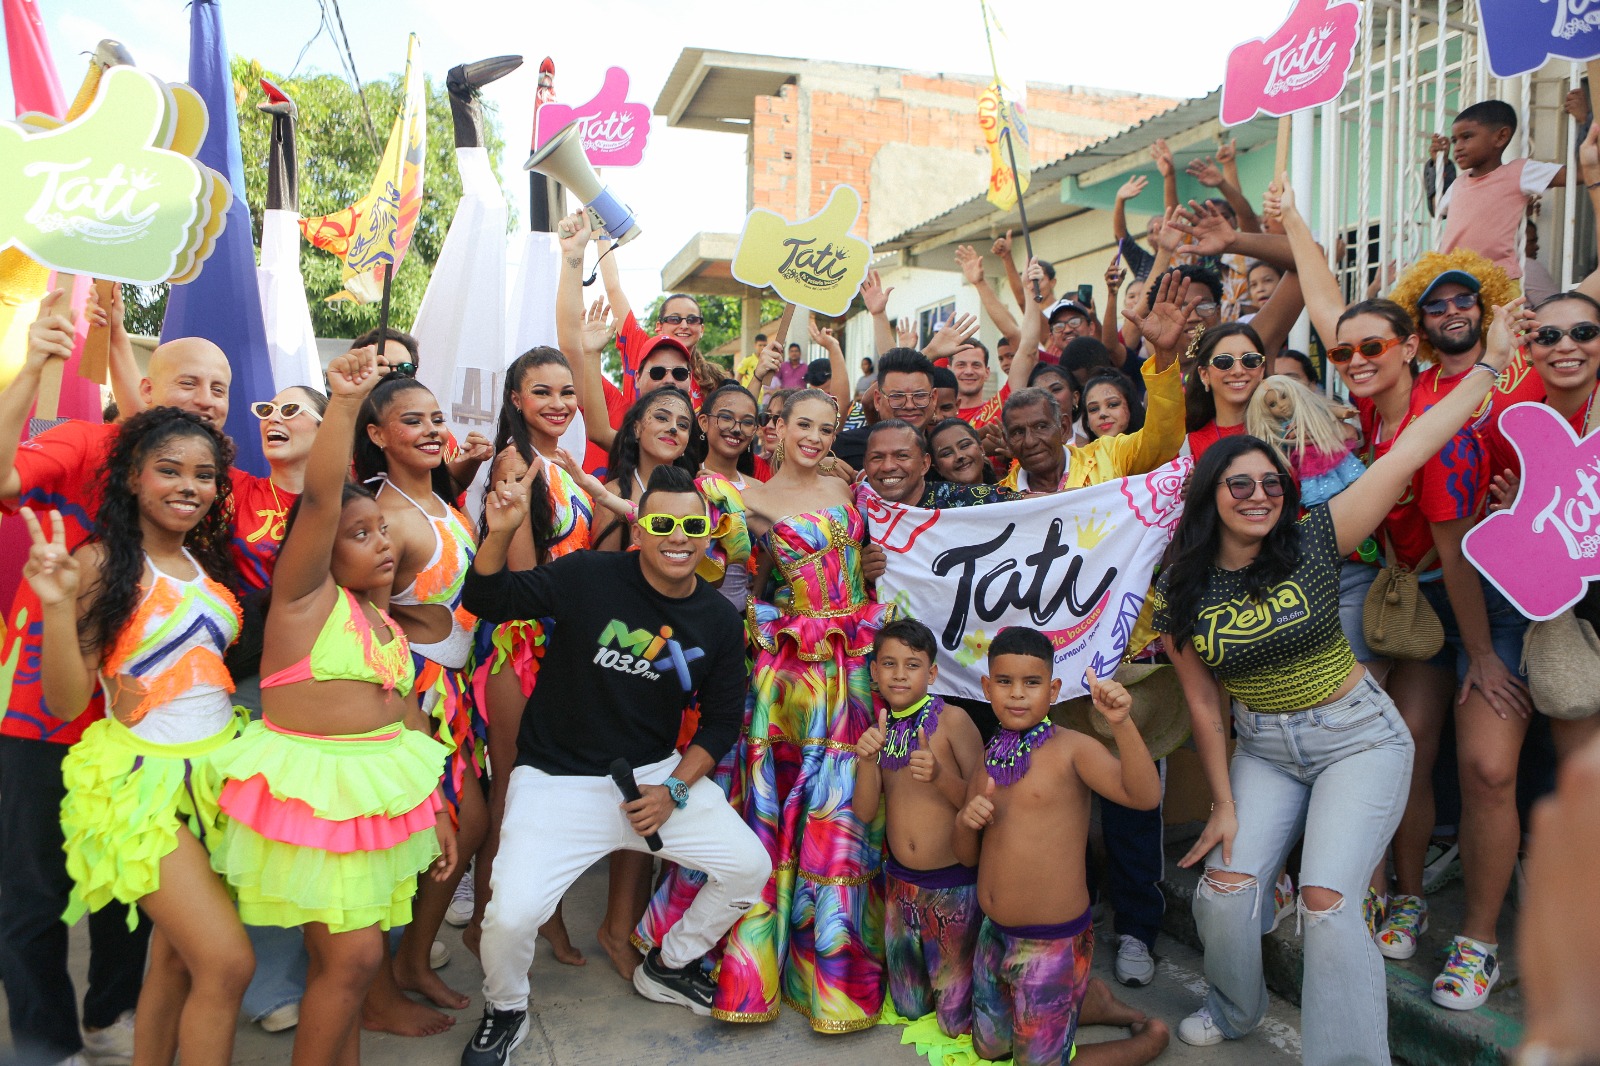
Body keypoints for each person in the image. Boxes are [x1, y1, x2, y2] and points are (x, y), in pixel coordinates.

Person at [1150, 294, 1521, 1063]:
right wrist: (1221, 805)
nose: (1259, 496)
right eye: (1240, 485)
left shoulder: (1318, 539)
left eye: (1272, 485)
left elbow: (1410, 448)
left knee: (1324, 902)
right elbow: (1204, 708)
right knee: (1225, 892)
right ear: (1209, 495)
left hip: (1357, 738)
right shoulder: (1182, 588)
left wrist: (1486, 367)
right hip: (1262, 747)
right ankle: (1236, 1006)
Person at [1282, 181, 1538, 1007]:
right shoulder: (1363, 414)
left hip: (1481, 603)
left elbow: (1458, 550)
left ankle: (1480, 939)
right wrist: (1291, 216)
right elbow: (1327, 305)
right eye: (1345, 354)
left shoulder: (1439, 412)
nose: (1355, 362)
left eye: (1372, 351)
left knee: (1489, 768)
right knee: (1406, 752)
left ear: (1409, 348)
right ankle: (1408, 896)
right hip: (1415, 606)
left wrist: (1487, 658)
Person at [460, 464, 770, 1066]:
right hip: (554, 780)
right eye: (661, 523)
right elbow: (488, 597)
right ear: (639, 532)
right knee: (509, 916)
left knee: (748, 866)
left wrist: (674, 791)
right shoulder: (588, 576)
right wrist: (499, 532)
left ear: (709, 533)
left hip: (654, 778)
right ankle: (506, 1009)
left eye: (690, 525)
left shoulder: (716, 618)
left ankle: (668, 965)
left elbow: (721, 722)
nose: (677, 537)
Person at [0, 294, 232, 1066]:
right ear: (147, 387)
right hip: (43, 709)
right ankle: (45, 1044)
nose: (204, 400)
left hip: (146, 736)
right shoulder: (82, 441)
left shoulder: (205, 501)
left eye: (218, 388)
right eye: (188, 383)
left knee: (129, 902)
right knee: (35, 892)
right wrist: (35, 362)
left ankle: (111, 1017)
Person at [209, 345, 454, 1066]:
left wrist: (435, 811)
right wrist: (343, 404)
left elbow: (403, 716)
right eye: (359, 534)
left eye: (380, 529)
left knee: (345, 971)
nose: (380, 543)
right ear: (316, 549)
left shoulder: (378, 620)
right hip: (318, 802)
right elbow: (320, 499)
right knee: (348, 965)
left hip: (377, 804)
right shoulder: (303, 600)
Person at [637, 388, 894, 1031]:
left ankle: (830, 974)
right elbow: (735, 580)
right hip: (792, 674)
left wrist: (869, 565)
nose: (814, 437)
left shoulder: (846, 489)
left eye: (827, 428)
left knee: (841, 808)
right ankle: (750, 960)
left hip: (855, 664)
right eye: (803, 424)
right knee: (776, 809)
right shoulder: (741, 500)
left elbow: (858, 567)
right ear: (776, 430)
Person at [952, 628, 1164, 1066]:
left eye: (1031, 683)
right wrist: (965, 822)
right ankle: (1090, 1004)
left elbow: (1144, 797)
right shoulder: (992, 753)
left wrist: (1121, 724)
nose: (1017, 694)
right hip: (994, 936)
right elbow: (967, 856)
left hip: (1051, 943)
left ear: (1052, 690)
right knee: (989, 1048)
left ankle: (1148, 1041)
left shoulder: (1073, 749)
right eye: (1005, 682)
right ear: (987, 688)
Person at [353, 375, 487, 1023]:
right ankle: (378, 991)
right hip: (416, 691)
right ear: (378, 436)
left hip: (455, 689)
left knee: (469, 827)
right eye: (414, 421)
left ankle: (413, 959)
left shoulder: (442, 502)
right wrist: (401, 706)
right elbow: (368, 627)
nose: (433, 429)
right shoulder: (381, 517)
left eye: (437, 418)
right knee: (410, 843)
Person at [467, 347, 594, 966]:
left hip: (559, 643)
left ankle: (545, 920)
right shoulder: (515, 464)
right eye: (542, 392)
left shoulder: (558, 463)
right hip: (526, 648)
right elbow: (519, 585)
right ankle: (487, 928)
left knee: (546, 799)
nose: (558, 404)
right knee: (513, 801)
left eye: (566, 392)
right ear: (516, 399)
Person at [853, 619, 984, 1038]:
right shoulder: (880, 729)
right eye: (888, 664)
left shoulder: (954, 721)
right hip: (900, 889)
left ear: (931, 673)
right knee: (909, 1009)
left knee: (954, 1022)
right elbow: (865, 813)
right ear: (874, 672)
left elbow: (984, 803)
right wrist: (866, 762)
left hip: (952, 889)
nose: (898, 674)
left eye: (912, 665)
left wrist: (940, 776)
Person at [998, 270, 1195, 493]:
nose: (1030, 440)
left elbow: (1163, 440)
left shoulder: (1108, 456)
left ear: (1063, 427)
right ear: (1007, 441)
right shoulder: (1000, 498)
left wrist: (1164, 353)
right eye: (1017, 432)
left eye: (1041, 426)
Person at [1433, 99, 1564, 280]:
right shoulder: (1458, 184)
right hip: (1453, 281)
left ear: (1501, 137)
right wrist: (1439, 165)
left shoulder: (1518, 173)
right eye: (1455, 141)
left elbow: (1578, 174)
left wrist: (1585, 120)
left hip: (1497, 280)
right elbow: (1437, 209)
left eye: (1467, 137)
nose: (1458, 147)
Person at [862, 420, 1018, 508]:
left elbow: (1036, 504)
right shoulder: (862, 512)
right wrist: (865, 562)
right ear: (865, 465)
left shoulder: (964, 497)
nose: (888, 466)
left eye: (902, 456)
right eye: (877, 457)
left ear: (925, 464)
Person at [832, 347, 939, 469]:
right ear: (878, 400)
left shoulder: (944, 451)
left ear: (934, 398)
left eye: (920, 396)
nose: (909, 405)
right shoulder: (844, 449)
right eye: (897, 396)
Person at [1184, 324, 1269, 460]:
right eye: (1223, 362)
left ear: (1262, 370)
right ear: (1204, 374)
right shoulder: (1188, 447)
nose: (1238, 371)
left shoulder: (1288, 433)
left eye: (1250, 360)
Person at [927, 418, 1001, 486]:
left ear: (981, 449)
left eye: (965, 445)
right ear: (938, 468)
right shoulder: (932, 500)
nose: (959, 456)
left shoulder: (1007, 492)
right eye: (947, 453)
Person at [1080, 369, 1144, 444]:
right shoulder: (1080, 455)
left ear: (1130, 407)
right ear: (1087, 420)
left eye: (1113, 404)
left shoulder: (1153, 451)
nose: (1102, 414)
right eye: (1094, 409)